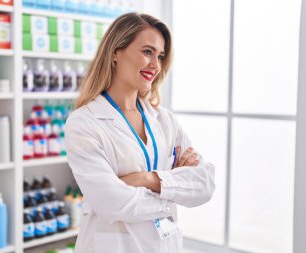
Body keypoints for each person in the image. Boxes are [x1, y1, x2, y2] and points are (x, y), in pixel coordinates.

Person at [64, 12, 215, 253]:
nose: (156, 65)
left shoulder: (165, 120)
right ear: (115, 52)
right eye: (147, 52)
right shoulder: (84, 123)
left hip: (165, 243)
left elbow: (205, 184)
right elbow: (110, 203)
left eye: (160, 56)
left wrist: (147, 179)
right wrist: (173, 188)